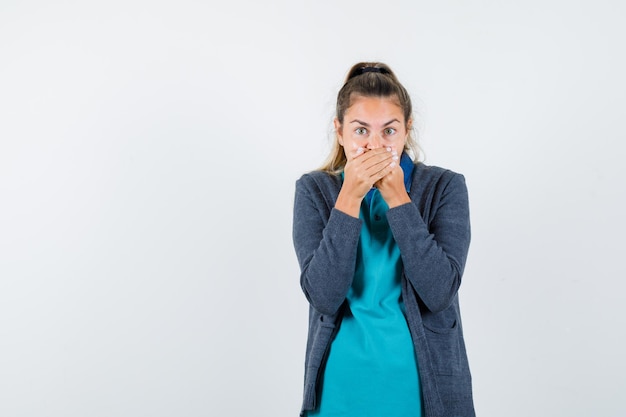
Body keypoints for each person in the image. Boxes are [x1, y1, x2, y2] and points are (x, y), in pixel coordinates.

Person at [292, 62, 475, 417]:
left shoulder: (445, 187)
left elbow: (440, 292)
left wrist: (399, 201)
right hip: (339, 391)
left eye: (388, 131)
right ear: (340, 131)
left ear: (406, 129)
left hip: (424, 393)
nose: (375, 144)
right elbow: (323, 297)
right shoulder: (314, 191)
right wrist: (348, 199)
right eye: (361, 130)